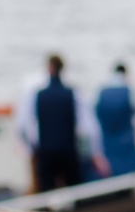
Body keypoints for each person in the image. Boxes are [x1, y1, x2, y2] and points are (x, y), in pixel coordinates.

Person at [15, 54, 92, 194]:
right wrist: (87, 151)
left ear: (49, 68)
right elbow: (85, 127)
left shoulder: (38, 94)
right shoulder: (72, 93)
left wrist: (31, 149)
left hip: (46, 151)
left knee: (45, 193)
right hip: (68, 150)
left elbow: (25, 125)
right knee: (73, 192)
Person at [94, 62, 135, 177]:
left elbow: (94, 115)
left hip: (107, 143)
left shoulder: (101, 91)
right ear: (126, 74)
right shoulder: (129, 90)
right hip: (125, 142)